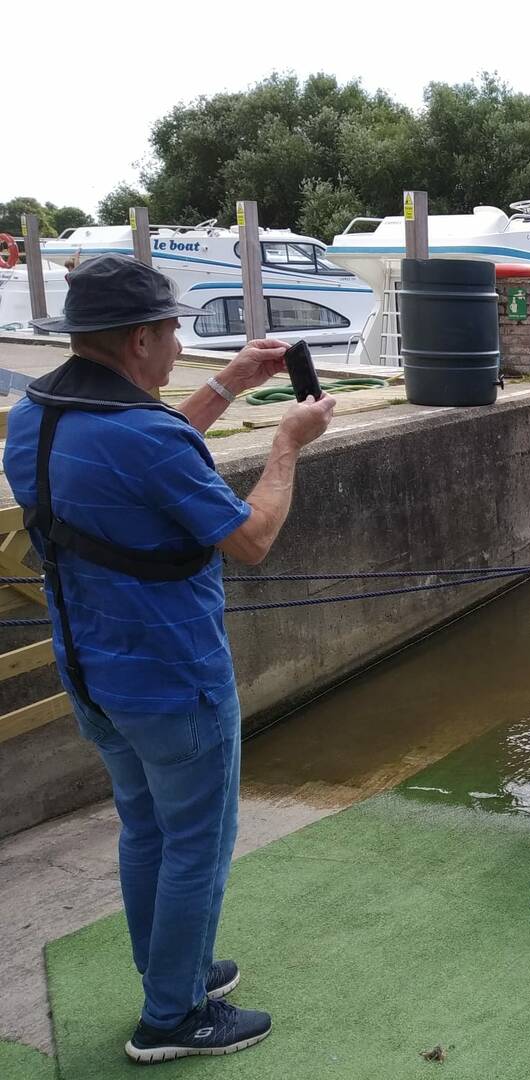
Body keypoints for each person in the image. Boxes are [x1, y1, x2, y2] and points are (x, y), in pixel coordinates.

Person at [3, 255, 335, 1063]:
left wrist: (227, 384)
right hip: (172, 678)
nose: (180, 340)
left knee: (146, 828)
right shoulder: (142, 434)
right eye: (174, 330)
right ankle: (174, 1018)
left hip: (90, 669)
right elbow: (251, 539)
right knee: (197, 842)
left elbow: (147, 455)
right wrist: (288, 443)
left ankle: (170, 970)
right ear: (142, 338)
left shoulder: (35, 414)